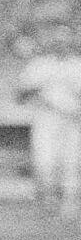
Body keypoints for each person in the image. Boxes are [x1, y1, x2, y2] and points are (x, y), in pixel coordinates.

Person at [15, 42, 81, 219]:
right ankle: (48, 201)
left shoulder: (76, 65)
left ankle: (70, 201)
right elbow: (22, 90)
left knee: (72, 160)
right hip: (46, 119)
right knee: (45, 160)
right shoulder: (40, 65)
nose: (62, 46)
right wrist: (38, 90)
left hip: (72, 119)